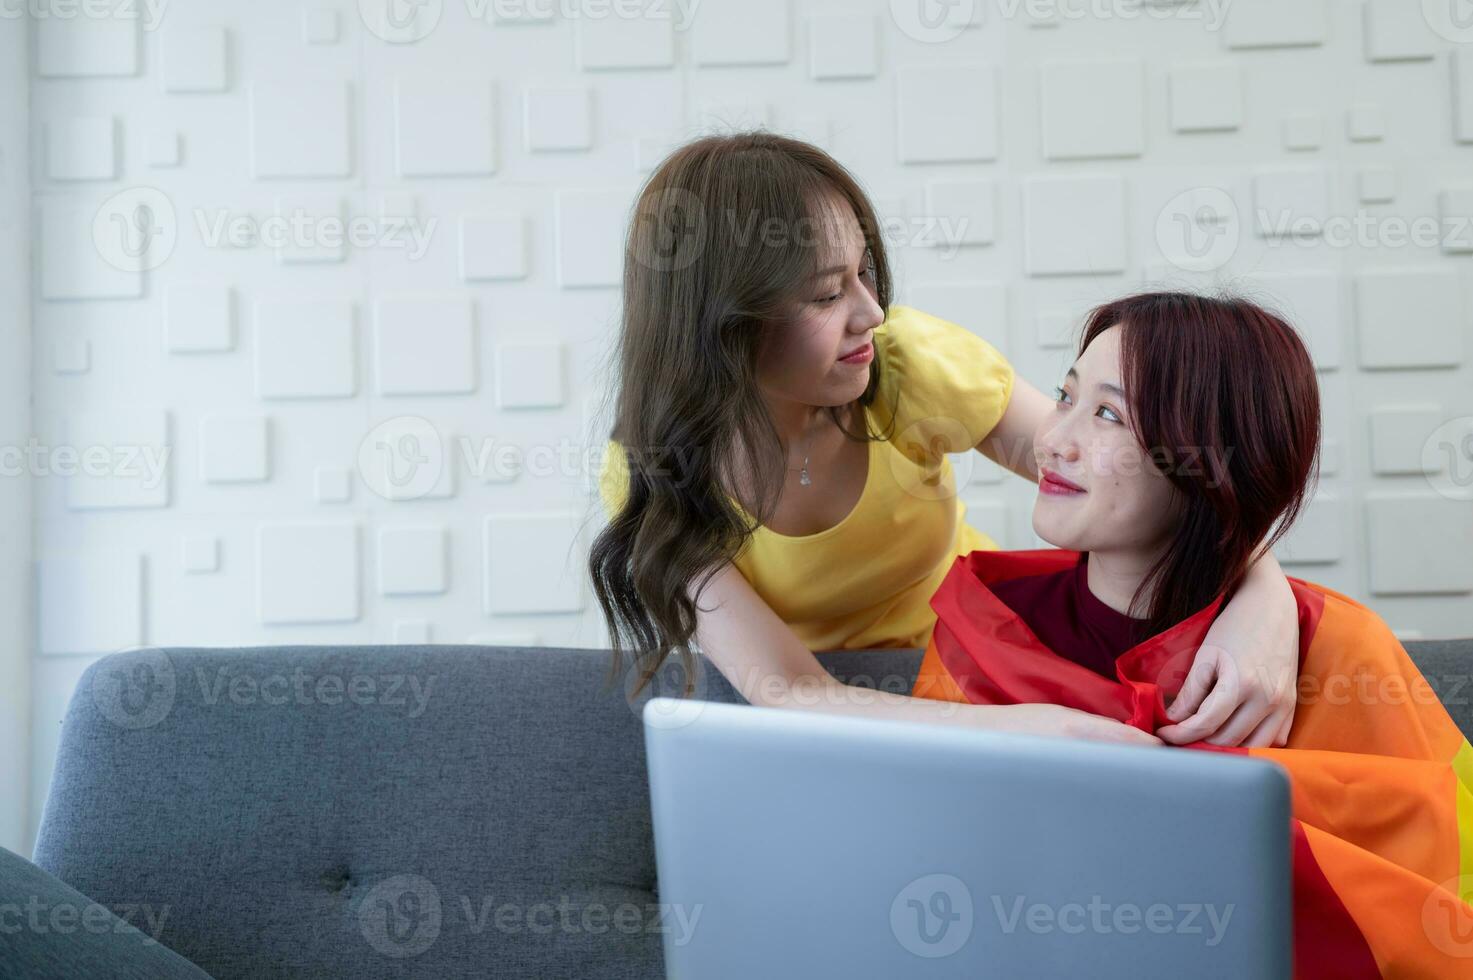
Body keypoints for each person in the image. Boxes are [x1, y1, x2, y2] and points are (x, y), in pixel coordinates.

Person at [588, 131, 1300, 747]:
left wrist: (1262, 600)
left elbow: (1126, 476)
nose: (871, 311)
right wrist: (1032, 729)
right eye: (825, 294)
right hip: (865, 714)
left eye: (862, 273)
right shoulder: (654, 473)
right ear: (722, 325)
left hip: (988, 656)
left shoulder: (905, 365)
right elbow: (789, 690)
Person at [910, 291, 1473, 975]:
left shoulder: (1335, 650)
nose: (1053, 441)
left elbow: (1436, 910)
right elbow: (927, 888)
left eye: (1108, 414)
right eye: (1065, 398)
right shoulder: (979, 630)